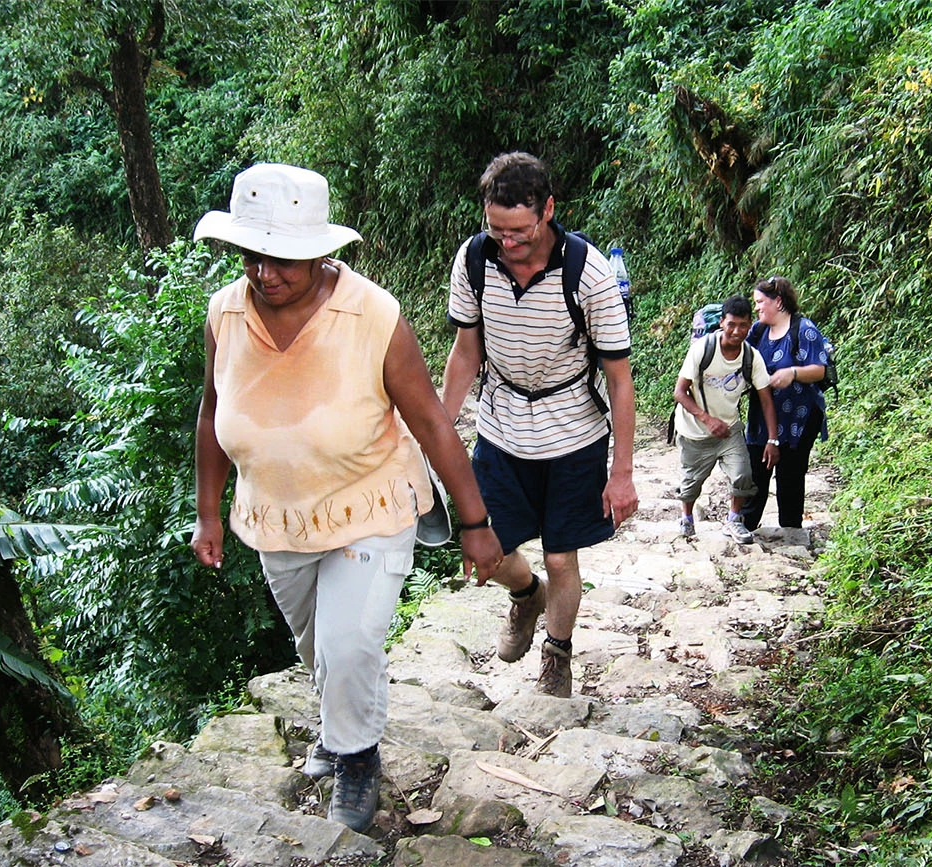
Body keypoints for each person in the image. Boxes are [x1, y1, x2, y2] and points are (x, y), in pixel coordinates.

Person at [189, 163, 501, 833]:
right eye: (252, 254)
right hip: (276, 516)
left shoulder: (372, 316)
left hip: (373, 503)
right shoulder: (224, 314)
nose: (265, 272)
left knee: (351, 642)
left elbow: (432, 423)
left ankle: (356, 757)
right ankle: (341, 727)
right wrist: (208, 512)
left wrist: (474, 521)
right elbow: (212, 412)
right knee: (318, 650)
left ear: (321, 252)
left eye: (283, 259)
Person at [441, 152, 637, 698]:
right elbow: (464, 352)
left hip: (573, 434)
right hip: (501, 430)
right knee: (485, 550)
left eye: (520, 230)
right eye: (496, 229)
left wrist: (621, 472)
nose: (508, 242)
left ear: (549, 210)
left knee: (561, 553)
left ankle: (557, 654)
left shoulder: (588, 273)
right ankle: (527, 595)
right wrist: (438, 427)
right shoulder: (475, 261)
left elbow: (620, 379)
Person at [671, 294, 778, 543]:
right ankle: (686, 518)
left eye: (743, 325)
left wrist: (773, 440)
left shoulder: (751, 357)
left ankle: (733, 519)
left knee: (743, 474)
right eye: (731, 324)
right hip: (694, 431)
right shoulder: (703, 350)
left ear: (750, 325)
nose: (737, 331)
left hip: (729, 430)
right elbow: (679, 392)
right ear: (721, 322)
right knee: (691, 483)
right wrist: (707, 419)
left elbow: (765, 399)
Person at [744, 275, 831, 532]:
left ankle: (791, 530)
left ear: (778, 301)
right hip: (764, 415)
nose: (757, 307)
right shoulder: (758, 331)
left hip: (799, 416)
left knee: (790, 474)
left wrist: (792, 373)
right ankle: (747, 526)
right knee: (756, 470)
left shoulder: (804, 329)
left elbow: (819, 369)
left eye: (761, 302)